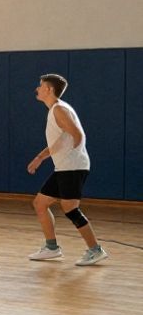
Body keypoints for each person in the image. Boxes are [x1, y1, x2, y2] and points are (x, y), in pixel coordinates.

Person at [27, 73, 108, 266]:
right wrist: (40, 157)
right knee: (40, 203)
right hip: (63, 167)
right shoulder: (56, 110)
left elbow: (78, 135)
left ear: (49, 89)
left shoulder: (60, 110)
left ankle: (95, 250)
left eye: (40, 86)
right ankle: (52, 248)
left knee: (70, 209)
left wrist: (72, 154)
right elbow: (62, 139)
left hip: (71, 167)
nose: (37, 89)